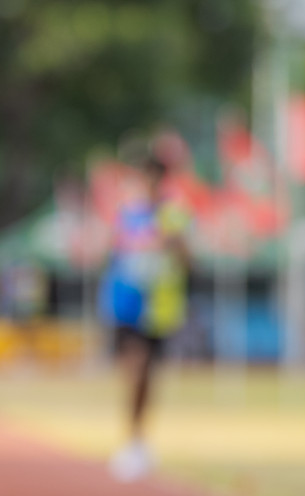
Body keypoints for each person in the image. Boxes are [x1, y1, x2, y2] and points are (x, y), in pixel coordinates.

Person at [100, 154, 191, 481]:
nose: (148, 183)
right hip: (125, 303)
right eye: (142, 176)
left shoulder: (172, 214)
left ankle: (137, 440)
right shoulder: (124, 213)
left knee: (147, 374)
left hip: (157, 307)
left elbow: (188, 259)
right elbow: (108, 253)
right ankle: (133, 439)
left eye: (153, 177)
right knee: (135, 370)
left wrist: (171, 245)